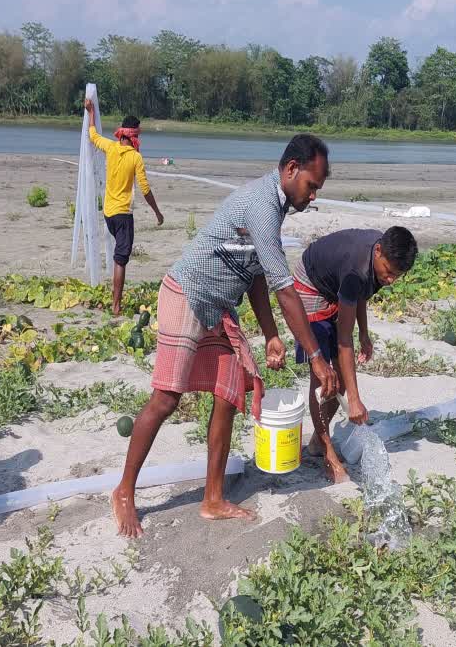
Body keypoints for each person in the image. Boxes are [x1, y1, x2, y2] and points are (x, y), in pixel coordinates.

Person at [111, 134, 339, 538]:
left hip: (218, 308)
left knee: (228, 393)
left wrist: (270, 333)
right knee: (165, 400)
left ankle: (212, 498)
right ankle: (124, 491)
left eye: (317, 188)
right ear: (291, 170)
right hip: (186, 294)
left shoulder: (274, 205)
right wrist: (316, 357)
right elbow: (283, 288)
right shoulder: (262, 205)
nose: (312, 195)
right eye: (311, 185)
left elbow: (253, 276)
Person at [292, 227, 417, 483]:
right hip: (310, 284)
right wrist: (356, 400)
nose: (391, 280)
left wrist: (364, 333)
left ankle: (317, 442)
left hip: (335, 284)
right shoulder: (355, 269)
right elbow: (343, 340)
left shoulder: (376, 262)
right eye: (389, 272)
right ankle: (328, 456)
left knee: (341, 379)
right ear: (378, 250)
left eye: (398, 275)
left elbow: (360, 293)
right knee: (324, 381)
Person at [84, 97, 165, 317]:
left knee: (119, 255)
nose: (139, 139)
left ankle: (115, 299)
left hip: (108, 213)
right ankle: (116, 306)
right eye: (138, 135)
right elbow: (145, 189)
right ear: (133, 136)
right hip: (122, 215)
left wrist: (91, 112)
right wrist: (157, 213)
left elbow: (93, 136)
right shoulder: (136, 158)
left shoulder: (111, 148)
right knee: (121, 260)